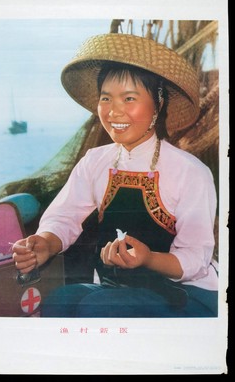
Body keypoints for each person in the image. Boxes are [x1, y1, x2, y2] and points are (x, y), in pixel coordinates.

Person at [12, 33, 218, 317]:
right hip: (118, 290)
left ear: (158, 104)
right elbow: (64, 216)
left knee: (97, 307)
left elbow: (196, 258)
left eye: (129, 98)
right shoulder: (96, 161)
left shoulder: (191, 172)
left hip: (187, 295)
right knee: (60, 300)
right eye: (106, 98)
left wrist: (147, 259)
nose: (113, 111)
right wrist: (45, 242)